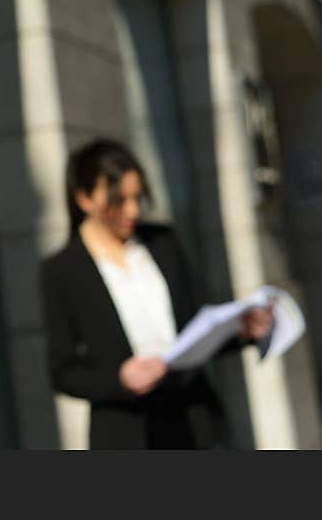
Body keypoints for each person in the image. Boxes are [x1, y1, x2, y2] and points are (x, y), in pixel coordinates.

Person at [40, 139, 272, 449]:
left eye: (138, 197)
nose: (132, 210)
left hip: (193, 418)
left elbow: (200, 326)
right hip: (126, 430)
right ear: (84, 199)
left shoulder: (163, 242)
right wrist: (120, 378)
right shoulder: (62, 270)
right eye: (118, 200)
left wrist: (242, 330)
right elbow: (64, 372)